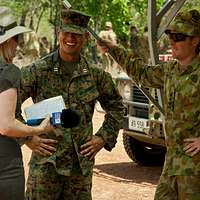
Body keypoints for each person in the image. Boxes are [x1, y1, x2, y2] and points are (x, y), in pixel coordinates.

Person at [19, 8, 124, 200]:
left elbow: (117, 107)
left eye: (76, 34)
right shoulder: (38, 71)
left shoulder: (96, 75)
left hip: (79, 169)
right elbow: (7, 107)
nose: (70, 38)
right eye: (66, 32)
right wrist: (27, 138)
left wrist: (102, 138)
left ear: (85, 37)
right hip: (46, 166)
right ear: (59, 33)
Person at [97, 9, 200, 200]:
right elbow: (141, 73)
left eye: (179, 37)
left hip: (195, 168)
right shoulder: (171, 70)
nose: (172, 41)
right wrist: (113, 49)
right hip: (172, 163)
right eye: (170, 35)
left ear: (195, 41)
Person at [0, 7, 53, 200]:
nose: (18, 46)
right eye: (17, 39)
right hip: (5, 170)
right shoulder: (8, 72)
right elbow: (6, 125)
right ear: (7, 41)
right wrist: (37, 130)